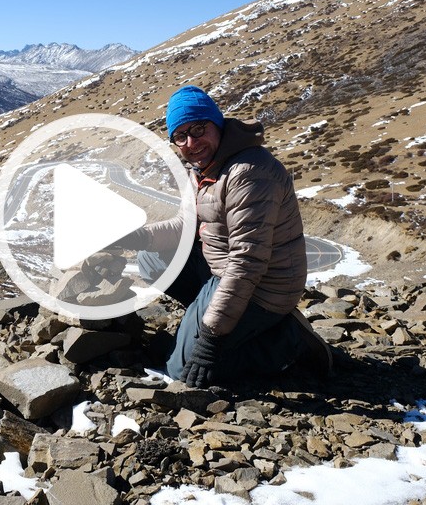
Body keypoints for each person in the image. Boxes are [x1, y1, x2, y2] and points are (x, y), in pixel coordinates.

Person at [119, 85, 332, 388]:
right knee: (151, 258)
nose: (191, 142)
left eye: (198, 128)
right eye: (181, 136)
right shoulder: (201, 167)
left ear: (216, 123)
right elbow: (186, 225)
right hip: (221, 269)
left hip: (265, 286)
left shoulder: (249, 173)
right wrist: (134, 238)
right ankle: (228, 321)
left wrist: (209, 342)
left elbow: (247, 262)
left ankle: (286, 345)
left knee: (182, 369)